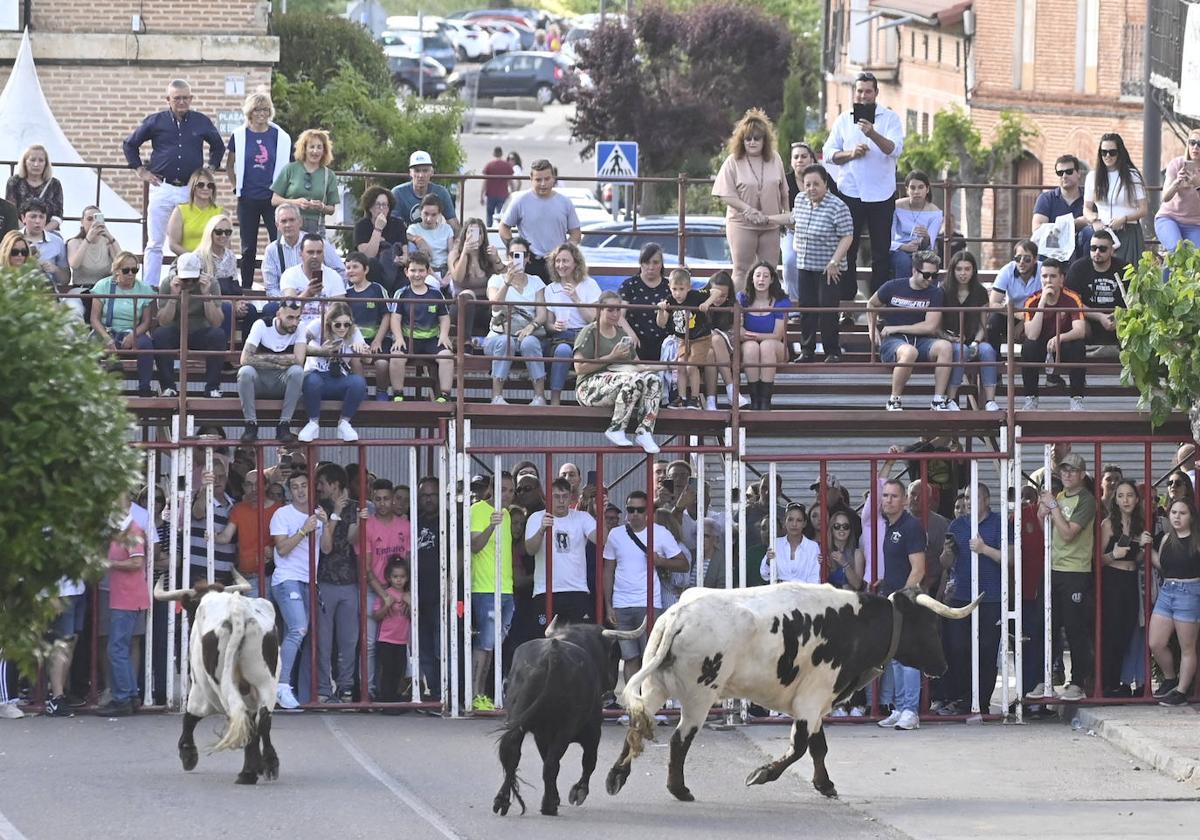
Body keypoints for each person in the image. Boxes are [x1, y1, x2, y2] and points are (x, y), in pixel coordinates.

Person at [123, 79, 224, 288]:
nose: (182, 101)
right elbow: (130, 144)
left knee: (194, 238)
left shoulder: (201, 121)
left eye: (186, 97)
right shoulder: (155, 121)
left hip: (190, 189)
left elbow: (218, 146)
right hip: (162, 187)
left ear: (191, 99)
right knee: (154, 242)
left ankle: (196, 281)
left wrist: (210, 170)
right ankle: (150, 287)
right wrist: (140, 170)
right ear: (168, 99)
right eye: (177, 98)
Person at [823, 71, 905, 298]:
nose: (863, 95)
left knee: (881, 253)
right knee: (848, 249)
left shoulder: (889, 118)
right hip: (850, 192)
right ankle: (846, 303)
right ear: (854, 93)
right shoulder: (843, 119)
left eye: (868, 91)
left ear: (876, 93)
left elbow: (895, 149)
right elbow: (828, 153)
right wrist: (850, 154)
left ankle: (878, 302)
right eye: (859, 91)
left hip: (881, 194)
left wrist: (873, 134)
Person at [603, 490, 687, 683]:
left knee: (651, 658)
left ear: (648, 511)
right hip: (621, 605)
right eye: (630, 509)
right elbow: (608, 570)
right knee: (630, 658)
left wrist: (660, 561)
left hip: (649, 604)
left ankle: (650, 704)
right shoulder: (616, 534)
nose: (634, 514)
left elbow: (683, 564)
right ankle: (633, 705)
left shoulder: (661, 533)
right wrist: (608, 605)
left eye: (640, 510)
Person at [1031, 452, 1096, 702]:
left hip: (1075, 572)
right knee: (1047, 626)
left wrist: (1054, 508)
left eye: (1073, 470)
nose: (1067, 474)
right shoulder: (1057, 496)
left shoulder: (1087, 500)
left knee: (1075, 628)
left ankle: (1078, 682)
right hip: (1053, 569)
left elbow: (1069, 534)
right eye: (1065, 470)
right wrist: (1041, 512)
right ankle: (1044, 679)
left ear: (1082, 474)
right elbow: (1046, 529)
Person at [868, 250, 962, 411]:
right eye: (926, 275)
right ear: (914, 271)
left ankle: (938, 400)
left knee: (945, 347)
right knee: (909, 352)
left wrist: (895, 327)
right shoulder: (893, 286)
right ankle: (894, 400)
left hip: (922, 340)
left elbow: (930, 326)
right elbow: (871, 304)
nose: (930, 279)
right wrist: (871, 330)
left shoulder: (935, 292)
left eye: (934, 275)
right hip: (895, 341)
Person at [939, 484, 1003, 715]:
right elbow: (945, 564)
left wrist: (984, 549)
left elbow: (1012, 558)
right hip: (961, 595)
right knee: (957, 648)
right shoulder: (957, 524)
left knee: (986, 650)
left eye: (972, 498)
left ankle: (982, 702)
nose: (967, 502)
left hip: (991, 596)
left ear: (986, 500)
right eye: (965, 497)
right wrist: (947, 552)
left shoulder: (998, 523)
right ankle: (964, 698)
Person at [573, 290, 663, 454]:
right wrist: (611, 357)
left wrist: (669, 366)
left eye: (618, 310)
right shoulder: (589, 331)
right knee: (634, 379)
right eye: (610, 310)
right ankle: (616, 428)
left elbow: (639, 366)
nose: (615, 314)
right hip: (588, 387)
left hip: (621, 380)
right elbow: (579, 368)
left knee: (653, 380)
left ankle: (645, 431)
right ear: (600, 310)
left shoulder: (622, 333)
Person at [270, 471, 332, 709]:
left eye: (304, 486)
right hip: (287, 579)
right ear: (289, 491)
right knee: (298, 628)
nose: (300, 491)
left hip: (309, 581)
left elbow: (326, 550)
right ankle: (282, 686)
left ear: (312, 488)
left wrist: (325, 525)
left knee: (304, 635)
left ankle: (303, 694)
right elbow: (282, 549)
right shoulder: (281, 514)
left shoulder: (316, 514)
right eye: (295, 487)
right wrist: (305, 530)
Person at [712, 109, 790, 290]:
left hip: (771, 223)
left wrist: (787, 216)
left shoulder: (775, 159)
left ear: (765, 140)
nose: (752, 142)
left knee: (768, 271)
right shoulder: (733, 161)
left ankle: (767, 313)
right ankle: (738, 314)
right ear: (742, 140)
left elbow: (783, 190)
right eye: (748, 138)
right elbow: (725, 193)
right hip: (742, 223)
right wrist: (748, 210)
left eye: (757, 138)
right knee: (741, 270)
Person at [226, 90, 291, 289]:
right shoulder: (239, 135)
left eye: (265, 109)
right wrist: (235, 184)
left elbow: (287, 167)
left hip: (272, 198)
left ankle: (282, 285)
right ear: (250, 112)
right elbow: (230, 164)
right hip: (248, 198)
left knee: (278, 243)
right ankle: (246, 288)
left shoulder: (279, 135)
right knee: (248, 248)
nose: (261, 113)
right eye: (257, 109)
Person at [875, 478, 926, 731]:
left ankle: (911, 711)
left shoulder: (911, 526)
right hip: (891, 599)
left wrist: (903, 599)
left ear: (905, 499)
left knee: (908, 658)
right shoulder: (890, 524)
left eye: (894, 496)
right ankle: (899, 707)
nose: (888, 500)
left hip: (905, 602)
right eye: (885, 496)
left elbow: (918, 569)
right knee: (895, 658)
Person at [792, 163, 853, 363]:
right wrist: (766, 219)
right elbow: (792, 219)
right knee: (807, 309)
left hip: (829, 268)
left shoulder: (838, 206)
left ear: (826, 183)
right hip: (805, 264)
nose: (811, 188)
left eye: (816, 184)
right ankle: (807, 350)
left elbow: (847, 236)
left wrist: (834, 261)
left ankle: (832, 351)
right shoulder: (800, 200)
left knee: (828, 310)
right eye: (807, 184)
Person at [1098, 479, 1153, 697]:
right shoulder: (1108, 524)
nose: (1125, 500)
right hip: (1113, 580)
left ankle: (1122, 682)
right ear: (1115, 499)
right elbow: (1097, 560)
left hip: (1131, 581)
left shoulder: (1139, 523)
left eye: (1130, 495)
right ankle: (1108, 684)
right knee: (1112, 632)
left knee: (1128, 632)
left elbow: (1138, 560)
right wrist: (1114, 554)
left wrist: (1143, 546)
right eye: (1120, 496)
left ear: (1137, 499)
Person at [313, 463, 362, 704]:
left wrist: (359, 519)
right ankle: (323, 688)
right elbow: (326, 547)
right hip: (325, 580)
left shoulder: (355, 509)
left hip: (350, 582)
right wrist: (334, 516)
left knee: (349, 640)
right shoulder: (319, 510)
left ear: (335, 485)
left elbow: (354, 539)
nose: (318, 488)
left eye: (322, 483)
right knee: (323, 640)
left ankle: (346, 687)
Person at [362, 478, 412, 700]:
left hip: (402, 589)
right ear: (373, 500)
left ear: (393, 500)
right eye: (378, 499)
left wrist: (407, 592)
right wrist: (384, 594)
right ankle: (371, 691)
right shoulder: (368, 525)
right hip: (377, 589)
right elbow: (366, 568)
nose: (382, 503)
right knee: (372, 644)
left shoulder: (405, 525)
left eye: (386, 499)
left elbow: (410, 561)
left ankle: (397, 692)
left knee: (403, 644)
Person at [151, 251, 226, 398]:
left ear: (200, 273)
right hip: (176, 330)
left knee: (218, 336)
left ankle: (212, 387)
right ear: (178, 274)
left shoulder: (211, 283)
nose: (190, 283)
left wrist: (206, 296)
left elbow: (216, 321)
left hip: (201, 331)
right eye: (186, 279)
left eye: (194, 279)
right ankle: (168, 387)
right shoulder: (168, 283)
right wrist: (173, 297)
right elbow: (163, 321)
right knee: (160, 335)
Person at [469, 472, 515, 709]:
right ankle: (476, 695)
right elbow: (474, 546)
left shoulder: (507, 514)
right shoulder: (477, 510)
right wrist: (491, 526)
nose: (506, 495)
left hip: (506, 589)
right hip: (486, 589)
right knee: (485, 644)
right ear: (491, 489)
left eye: (510, 490)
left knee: (493, 645)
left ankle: (483, 694)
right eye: (502, 489)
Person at [524, 477, 598, 626]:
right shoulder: (536, 517)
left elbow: (601, 541)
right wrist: (542, 530)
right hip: (545, 591)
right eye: (556, 497)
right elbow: (530, 550)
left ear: (571, 497)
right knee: (547, 644)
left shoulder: (582, 517)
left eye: (565, 496)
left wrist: (600, 513)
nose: (561, 501)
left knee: (577, 644)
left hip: (576, 591)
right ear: (548, 497)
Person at [484, 237, 548, 405]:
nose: (516, 258)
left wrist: (531, 327)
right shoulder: (496, 280)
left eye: (521, 254)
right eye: (513, 254)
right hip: (499, 335)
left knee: (530, 343)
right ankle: (496, 396)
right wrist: (507, 282)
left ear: (527, 258)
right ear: (508, 256)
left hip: (526, 333)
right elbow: (495, 306)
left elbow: (542, 315)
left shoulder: (536, 282)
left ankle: (539, 397)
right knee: (506, 343)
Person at [1149, 499, 1200, 706]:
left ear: (1191, 517)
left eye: (1183, 513)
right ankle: (1171, 679)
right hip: (1167, 591)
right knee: (1156, 643)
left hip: (1189, 592)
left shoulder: (1197, 540)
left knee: (1187, 647)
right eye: (1174, 512)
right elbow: (1162, 565)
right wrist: (1147, 547)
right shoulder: (1167, 538)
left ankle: (1181, 691)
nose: (1177, 517)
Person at [97, 512, 149, 716]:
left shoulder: (132, 531)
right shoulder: (124, 532)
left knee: (116, 649)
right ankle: (131, 695)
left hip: (127, 598)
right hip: (125, 597)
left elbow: (137, 562)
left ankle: (123, 698)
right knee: (120, 648)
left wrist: (110, 564)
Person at [498, 158, 582, 282]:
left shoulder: (565, 202)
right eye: (538, 180)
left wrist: (564, 252)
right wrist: (516, 248)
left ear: (553, 178)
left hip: (557, 264)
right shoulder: (520, 201)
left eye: (547, 179)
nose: (543, 184)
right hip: (529, 261)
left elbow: (576, 233)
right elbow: (503, 227)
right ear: (531, 179)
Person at [297, 301, 369, 443]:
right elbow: (298, 345)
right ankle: (313, 423)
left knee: (358, 382)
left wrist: (361, 350)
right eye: (337, 324)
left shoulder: (353, 331)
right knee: (311, 381)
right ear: (329, 322)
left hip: (338, 378)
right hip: (316, 375)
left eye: (346, 324)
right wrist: (320, 351)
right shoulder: (318, 325)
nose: (342, 328)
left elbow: (368, 360)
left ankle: (344, 423)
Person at [1021, 258, 1087, 411]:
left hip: (1063, 344)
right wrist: (1042, 303)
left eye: (1052, 276)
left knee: (1078, 347)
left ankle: (1076, 399)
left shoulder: (1072, 298)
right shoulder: (1032, 301)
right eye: (1044, 276)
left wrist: (1060, 337)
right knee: (1028, 347)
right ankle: (1031, 398)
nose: (1048, 280)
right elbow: (1031, 334)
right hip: (1040, 345)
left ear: (1061, 279)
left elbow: (1080, 330)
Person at [236, 298, 305, 444]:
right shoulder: (262, 325)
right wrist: (281, 360)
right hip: (260, 381)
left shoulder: (300, 328)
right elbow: (245, 359)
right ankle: (250, 425)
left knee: (297, 371)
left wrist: (262, 358)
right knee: (245, 372)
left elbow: (299, 359)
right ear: (278, 314)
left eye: (297, 318)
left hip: (282, 381)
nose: (295, 322)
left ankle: (284, 425)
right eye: (290, 318)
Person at [388, 253, 454, 402]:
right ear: (406, 272)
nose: (417, 274)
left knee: (447, 357)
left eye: (421, 270)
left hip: (432, 340)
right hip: (407, 340)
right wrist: (398, 338)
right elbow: (395, 318)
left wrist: (444, 336)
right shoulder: (402, 293)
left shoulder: (436, 294)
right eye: (413, 270)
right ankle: (398, 393)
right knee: (396, 357)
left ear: (427, 271)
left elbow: (444, 317)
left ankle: (445, 395)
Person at [89, 251, 156, 397]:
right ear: (116, 271)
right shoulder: (103, 286)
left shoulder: (144, 289)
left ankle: (144, 388)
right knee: (91, 345)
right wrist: (106, 338)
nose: (131, 274)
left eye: (135, 270)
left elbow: (146, 321)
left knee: (146, 345)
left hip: (132, 331)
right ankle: (90, 389)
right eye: (126, 270)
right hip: (106, 330)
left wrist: (134, 334)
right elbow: (94, 318)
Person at [544, 242, 602, 405]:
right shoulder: (551, 289)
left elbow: (593, 319)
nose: (561, 265)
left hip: (585, 334)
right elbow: (548, 324)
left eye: (565, 261)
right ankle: (555, 400)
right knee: (562, 351)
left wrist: (576, 298)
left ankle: (590, 400)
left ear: (575, 263)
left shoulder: (589, 284)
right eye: (558, 261)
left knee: (583, 356)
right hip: (563, 335)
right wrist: (554, 327)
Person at [941, 251, 999, 411]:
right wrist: (949, 338)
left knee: (987, 350)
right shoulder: (944, 290)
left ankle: (990, 401)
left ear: (973, 270)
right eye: (959, 269)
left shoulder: (979, 291)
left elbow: (983, 324)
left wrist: (976, 341)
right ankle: (951, 399)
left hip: (974, 338)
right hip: (950, 338)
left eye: (967, 269)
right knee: (961, 350)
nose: (963, 273)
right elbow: (936, 323)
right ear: (952, 270)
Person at [655, 267, 720, 409]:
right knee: (680, 366)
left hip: (700, 338)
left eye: (681, 289)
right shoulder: (669, 300)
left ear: (689, 287)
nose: (677, 293)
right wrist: (661, 310)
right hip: (683, 339)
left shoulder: (695, 295)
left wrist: (706, 303)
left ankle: (694, 399)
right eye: (674, 289)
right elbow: (661, 323)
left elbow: (716, 292)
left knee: (691, 366)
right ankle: (682, 397)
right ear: (669, 287)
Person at [1080, 133, 1147, 265]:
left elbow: (1144, 209)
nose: (1108, 156)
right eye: (1104, 152)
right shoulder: (1092, 176)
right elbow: (1086, 208)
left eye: (1112, 152)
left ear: (1120, 153)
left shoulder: (1132, 175)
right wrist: (1094, 220)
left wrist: (1124, 219)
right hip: (1102, 233)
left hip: (1127, 231)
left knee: (1127, 276)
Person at [215, 468, 280, 598]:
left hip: (270, 575)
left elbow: (287, 543)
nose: (254, 488)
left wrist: (273, 552)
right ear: (244, 487)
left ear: (266, 485)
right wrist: (212, 537)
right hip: (246, 577)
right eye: (249, 485)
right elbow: (226, 536)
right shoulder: (239, 509)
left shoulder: (279, 510)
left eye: (258, 484)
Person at [261, 204, 346, 299]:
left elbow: (341, 272)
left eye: (292, 220)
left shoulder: (319, 243)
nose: (288, 225)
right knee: (270, 309)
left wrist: (331, 293)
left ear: (300, 222)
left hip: (321, 299)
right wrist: (289, 300)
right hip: (285, 302)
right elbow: (271, 288)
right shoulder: (272, 250)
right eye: (284, 221)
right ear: (277, 225)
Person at [738, 261, 790, 410]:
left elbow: (777, 335)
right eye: (758, 275)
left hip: (776, 348)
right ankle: (755, 400)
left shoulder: (781, 301)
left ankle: (765, 401)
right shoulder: (742, 298)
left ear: (772, 279)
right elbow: (739, 331)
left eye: (766, 276)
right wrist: (752, 336)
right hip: (750, 347)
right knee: (751, 347)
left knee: (766, 346)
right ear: (752, 278)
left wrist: (752, 335)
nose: (761, 280)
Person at [343, 251, 394, 398]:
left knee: (382, 364)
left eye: (355, 267)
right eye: (348, 268)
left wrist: (378, 340)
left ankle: (382, 392)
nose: (350, 271)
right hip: (355, 340)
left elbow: (387, 315)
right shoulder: (346, 293)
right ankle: (362, 391)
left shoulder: (377, 289)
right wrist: (355, 341)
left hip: (378, 339)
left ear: (366, 269)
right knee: (354, 360)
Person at [271, 128, 338, 234]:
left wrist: (321, 207)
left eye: (319, 147)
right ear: (304, 149)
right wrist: (295, 202)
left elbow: (332, 209)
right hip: (291, 224)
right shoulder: (290, 169)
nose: (315, 151)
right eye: (312, 147)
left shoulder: (329, 175)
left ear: (324, 150)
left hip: (316, 226)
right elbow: (274, 200)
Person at [279, 233, 348, 333]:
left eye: (319, 252)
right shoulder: (290, 274)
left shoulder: (334, 276)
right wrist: (308, 294)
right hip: (297, 327)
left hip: (326, 328)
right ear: (301, 253)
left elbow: (340, 310)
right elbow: (289, 309)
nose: (315, 256)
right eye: (310, 252)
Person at [1065, 229, 1125, 346]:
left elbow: (1132, 301)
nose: (1097, 252)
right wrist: (1099, 316)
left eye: (1102, 249)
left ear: (1112, 251)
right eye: (1093, 248)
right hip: (1088, 319)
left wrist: (1119, 317)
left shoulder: (1124, 268)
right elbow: (1071, 302)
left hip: (1118, 319)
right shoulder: (1078, 268)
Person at [701, 271, 747, 409]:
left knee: (715, 342)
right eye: (714, 294)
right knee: (710, 352)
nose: (718, 299)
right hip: (701, 344)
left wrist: (717, 335)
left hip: (727, 348)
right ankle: (730, 391)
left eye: (723, 296)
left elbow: (736, 331)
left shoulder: (734, 306)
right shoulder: (700, 301)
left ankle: (712, 400)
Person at [413, 476, 443, 697]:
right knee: (422, 647)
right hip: (417, 594)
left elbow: (460, 555)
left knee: (441, 646)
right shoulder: (413, 522)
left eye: (433, 494)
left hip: (442, 595)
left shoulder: (450, 520)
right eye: (424, 495)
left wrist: (451, 585)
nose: (429, 499)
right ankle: (432, 689)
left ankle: (446, 691)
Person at [985, 239, 1042, 352]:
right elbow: (993, 303)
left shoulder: (1043, 271)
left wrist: (1024, 322)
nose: (1021, 262)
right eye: (1017, 258)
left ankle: (1033, 366)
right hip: (1012, 313)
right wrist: (1017, 315)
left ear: (1035, 259)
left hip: (1037, 315)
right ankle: (995, 362)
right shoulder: (1007, 270)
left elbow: (1049, 301)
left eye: (1027, 259)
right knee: (993, 322)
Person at [618, 243, 672, 362]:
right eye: (647, 262)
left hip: (664, 342)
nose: (651, 267)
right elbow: (619, 316)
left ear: (661, 264)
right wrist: (631, 334)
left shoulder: (670, 287)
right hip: (635, 340)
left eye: (655, 262)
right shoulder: (629, 285)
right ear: (641, 263)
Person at [372, 557, 413, 703]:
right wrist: (386, 605)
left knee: (398, 671)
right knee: (387, 670)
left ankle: (394, 697)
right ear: (389, 578)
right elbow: (376, 615)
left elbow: (415, 618)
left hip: (402, 640)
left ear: (407, 578)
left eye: (402, 577)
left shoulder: (409, 595)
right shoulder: (385, 594)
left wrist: (411, 604)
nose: (399, 580)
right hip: (385, 639)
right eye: (395, 577)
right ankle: (386, 698)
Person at [1031, 154, 1087, 261]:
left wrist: (1060, 226)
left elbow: (1093, 221)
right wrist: (1073, 224)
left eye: (1069, 171)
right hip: (1054, 249)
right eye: (1060, 173)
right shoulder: (1046, 198)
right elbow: (1037, 229)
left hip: (1080, 245)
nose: (1064, 176)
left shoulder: (1088, 198)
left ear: (1078, 173)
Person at [889, 171, 943, 280]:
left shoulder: (935, 212)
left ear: (927, 189)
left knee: (928, 263)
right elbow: (888, 238)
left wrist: (926, 237)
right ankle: (902, 295)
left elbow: (929, 245)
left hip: (920, 250)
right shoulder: (896, 207)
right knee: (903, 261)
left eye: (921, 187)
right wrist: (904, 247)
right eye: (912, 188)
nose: (916, 192)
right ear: (907, 190)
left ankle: (926, 296)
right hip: (898, 249)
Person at [353, 186, 407, 293]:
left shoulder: (398, 224)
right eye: (378, 205)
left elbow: (405, 250)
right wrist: (378, 229)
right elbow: (368, 255)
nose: (382, 209)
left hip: (394, 268)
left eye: (385, 205)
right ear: (370, 207)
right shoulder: (362, 225)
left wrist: (403, 258)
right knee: (372, 264)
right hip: (372, 270)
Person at [447, 216, 504, 319]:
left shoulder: (488, 255)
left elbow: (503, 276)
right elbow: (457, 277)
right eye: (471, 232)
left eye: (479, 233)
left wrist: (496, 259)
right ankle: (467, 336)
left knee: (496, 311)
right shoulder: (455, 254)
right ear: (465, 235)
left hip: (485, 304)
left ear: (483, 236)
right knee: (467, 298)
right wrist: (465, 252)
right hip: (462, 304)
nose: (476, 237)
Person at [781, 141, 818, 300]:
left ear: (811, 159)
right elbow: (785, 213)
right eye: (796, 157)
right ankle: (795, 304)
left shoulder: (822, 178)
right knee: (790, 262)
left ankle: (817, 305)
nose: (799, 160)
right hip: (792, 230)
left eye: (804, 156)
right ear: (791, 161)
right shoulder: (785, 182)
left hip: (819, 232)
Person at [392, 150, 459, 233]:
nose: (421, 175)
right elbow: (393, 226)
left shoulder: (441, 193)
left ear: (431, 172)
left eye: (425, 170)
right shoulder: (398, 193)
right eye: (417, 170)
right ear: (410, 173)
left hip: (435, 240)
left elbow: (453, 224)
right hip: (405, 241)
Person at [1155, 128, 1200, 252]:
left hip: (1195, 224)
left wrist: (1197, 185)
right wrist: (1176, 183)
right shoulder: (1177, 164)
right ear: (1188, 144)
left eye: (1199, 144)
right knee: (1177, 249)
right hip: (1169, 218)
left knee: (1196, 258)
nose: (1195, 147)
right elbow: (1165, 197)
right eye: (1192, 143)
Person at [166, 168, 223, 257]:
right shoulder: (180, 211)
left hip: (213, 263)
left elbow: (225, 245)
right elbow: (173, 244)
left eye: (210, 185)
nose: (205, 188)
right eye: (201, 185)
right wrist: (193, 258)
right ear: (193, 187)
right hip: (187, 262)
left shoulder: (220, 213)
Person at [6, 144, 64, 230]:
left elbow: (57, 216)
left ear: (46, 164)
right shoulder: (14, 182)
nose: (36, 164)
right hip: (20, 231)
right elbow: (10, 212)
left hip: (48, 232)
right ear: (25, 162)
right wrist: (26, 232)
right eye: (32, 160)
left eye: (41, 160)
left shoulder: (55, 184)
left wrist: (41, 233)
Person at [761, 503, 821, 584]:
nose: (794, 524)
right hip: (779, 593)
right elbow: (764, 574)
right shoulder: (776, 543)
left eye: (799, 520)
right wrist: (768, 561)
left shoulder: (812, 547)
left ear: (804, 523)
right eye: (790, 519)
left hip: (804, 594)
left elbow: (815, 578)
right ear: (784, 521)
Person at [67, 205, 122, 289]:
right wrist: (88, 239)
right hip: (81, 289)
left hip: (104, 290)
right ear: (82, 222)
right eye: (89, 219)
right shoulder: (74, 242)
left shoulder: (107, 242)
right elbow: (74, 264)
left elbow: (122, 263)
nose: (93, 223)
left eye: (96, 219)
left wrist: (109, 236)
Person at [20, 198, 68, 288]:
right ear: (23, 218)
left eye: (41, 217)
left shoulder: (57, 241)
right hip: (19, 292)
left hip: (48, 294)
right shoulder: (13, 239)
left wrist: (55, 269)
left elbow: (66, 279)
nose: (38, 221)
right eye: (33, 217)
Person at [825, 508, 865, 591]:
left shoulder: (857, 553)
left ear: (850, 530)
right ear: (831, 529)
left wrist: (845, 564)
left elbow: (857, 585)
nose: (841, 529)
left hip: (849, 600)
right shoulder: (824, 551)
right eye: (837, 526)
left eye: (845, 526)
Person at [480, 145, 515, 227]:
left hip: (490, 194)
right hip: (503, 194)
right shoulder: (506, 165)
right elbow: (510, 181)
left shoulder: (489, 165)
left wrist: (481, 195)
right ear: (501, 153)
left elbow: (485, 181)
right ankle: (500, 233)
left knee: (489, 215)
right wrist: (513, 193)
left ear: (494, 153)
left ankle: (489, 232)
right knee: (501, 216)